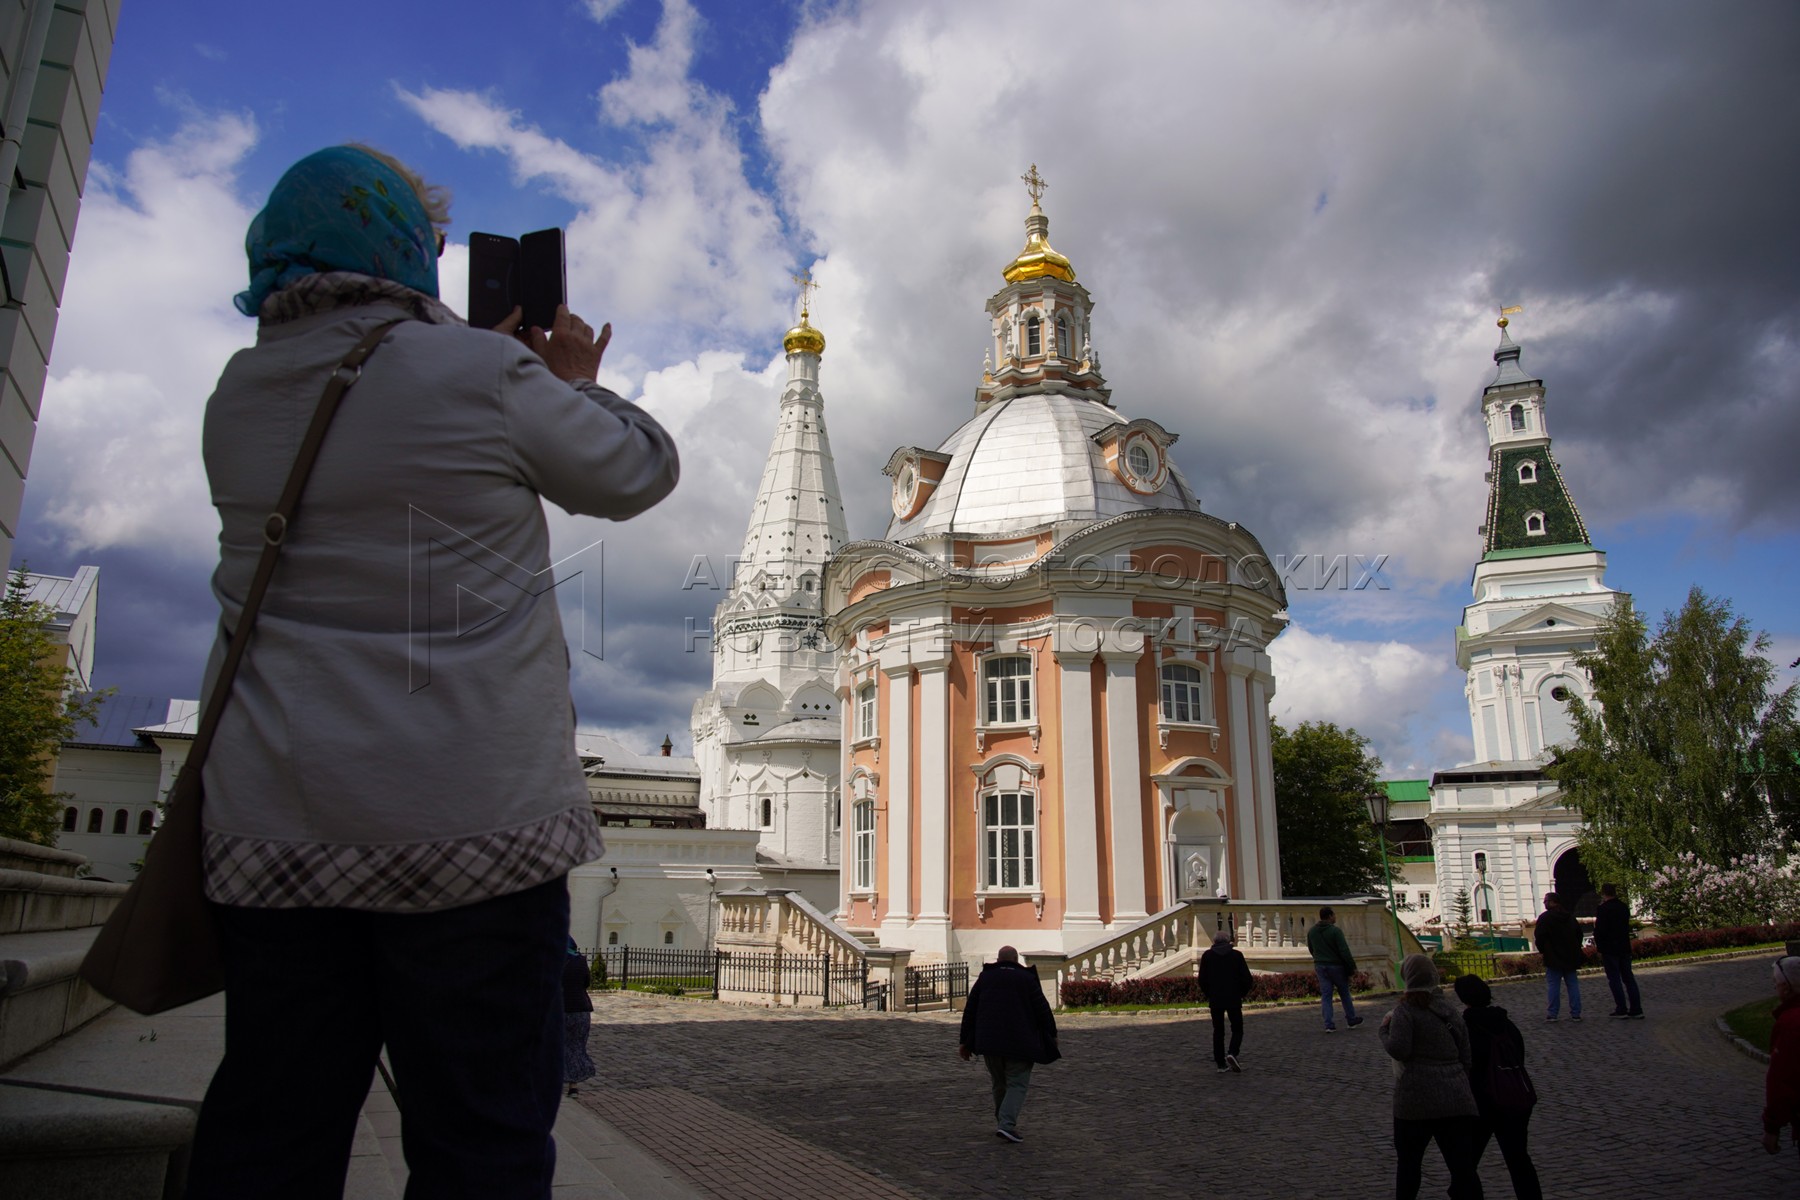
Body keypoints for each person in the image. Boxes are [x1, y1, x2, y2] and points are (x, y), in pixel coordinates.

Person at [183, 146, 678, 1200]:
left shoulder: (238, 391)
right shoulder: (477, 373)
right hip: (469, 834)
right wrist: (572, 382)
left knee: (274, 1124)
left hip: (277, 830)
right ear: (407, 250)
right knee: (480, 1139)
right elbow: (639, 469)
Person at [1380, 954, 1486, 1200]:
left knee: (1409, 1165)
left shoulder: (1405, 1011)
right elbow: (1466, 1055)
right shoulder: (1449, 1009)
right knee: (1463, 1167)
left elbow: (1399, 1049)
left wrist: (1383, 1031)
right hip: (1455, 1097)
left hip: (1415, 1100)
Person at [958, 946, 1060, 1143]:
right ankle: (1006, 1124)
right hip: (1020, 1042)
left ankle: (1002, 1121)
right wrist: (1052, 1034)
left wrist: (964, 1042)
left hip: (989, 1042)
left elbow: (970, 1010)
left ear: (998, 959)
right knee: (1017, 1083)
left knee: (999, 1083)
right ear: (1016, 960)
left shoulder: (985, 978)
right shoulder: (1026, 979)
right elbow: (1043, 1010)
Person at [1454, 974, 1542, 1200]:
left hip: (1482, 1104)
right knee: (1519, 1159)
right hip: (1513, 1099)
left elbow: (1463, 1065)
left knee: (1466, 1163)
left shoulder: (1465, 1028)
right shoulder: (1507, 1024)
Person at [1198, 929, 1254, 1072]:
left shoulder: (1208, 956)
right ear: (1228, 941)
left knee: (1218, 1031)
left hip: (1216, 998)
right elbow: (1247, 979)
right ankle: (1232, 1052)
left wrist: (1209, 993)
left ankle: (1220, 1063)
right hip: (1233, 997)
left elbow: (1202, 980)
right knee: (1237, 1028)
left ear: (1214, 941)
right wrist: (1241, 993)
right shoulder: (1236, 955)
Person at [1763, 957, 1800, 1156]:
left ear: (1786, 986)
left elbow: (1782, 1079)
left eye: (1775, 982)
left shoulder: (1790, 1023)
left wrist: (1772, 1127)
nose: (1774, 987)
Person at [1306, 906, 1364, 1032]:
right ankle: (1351, 1019)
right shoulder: (1335, 931)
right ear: (1330, 916)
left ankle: (1329, 1024)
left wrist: (1319, 958)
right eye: (1334, 915)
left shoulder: (1312, 931)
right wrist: (1352, 967)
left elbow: (1311, 949)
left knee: (1326, 995)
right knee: (1344, 993)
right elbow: (1344, 950)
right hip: (1336, 966)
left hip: (1320, 965)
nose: (1335, 917)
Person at [1593, 883, 1643, 1019]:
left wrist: (1599, 946)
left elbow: (1600, 930)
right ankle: (1636, 1008)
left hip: (1609, 948)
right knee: (1629, 978)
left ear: (1603, 893)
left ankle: (1621, 1008)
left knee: (1614, 979)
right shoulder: (1623, 907)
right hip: (1624, 946)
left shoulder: (1603, 909)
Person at [1533, 892, 1584, 1022]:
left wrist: (1543, 950)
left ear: (1552, 902)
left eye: (1546, 901)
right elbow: (1579, 934)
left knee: (1553, 986)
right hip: (1570, 956)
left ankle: (1552, 1013)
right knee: (1573, 985)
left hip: (1553, 957)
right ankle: (1576, 1013)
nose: (1544, 903)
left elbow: (1539, 937)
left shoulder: (1545, 918)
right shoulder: (1569, 917)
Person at [563, 939, 598, 1098]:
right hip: (580, 1010)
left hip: (560, 1010)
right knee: (577, 1046)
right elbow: (586, 982)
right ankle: (573, 1086)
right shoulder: (581, 961)